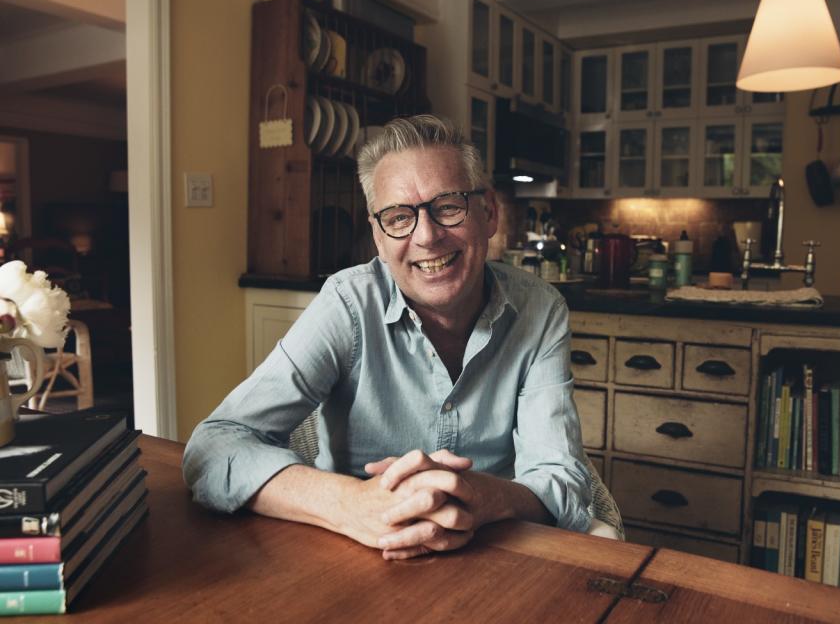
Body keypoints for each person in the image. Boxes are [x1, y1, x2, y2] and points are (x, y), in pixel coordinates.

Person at [183, 114, 593, 560]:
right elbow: (214, 445)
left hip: (493, 549)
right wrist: (351, 504)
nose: (428, 237)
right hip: (353, 552)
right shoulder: (347, 303)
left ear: (488, 213)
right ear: (378, 237)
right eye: (399, 218)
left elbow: (562, 479)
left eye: (449, 206)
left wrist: (480, 497)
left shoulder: (541, 309)